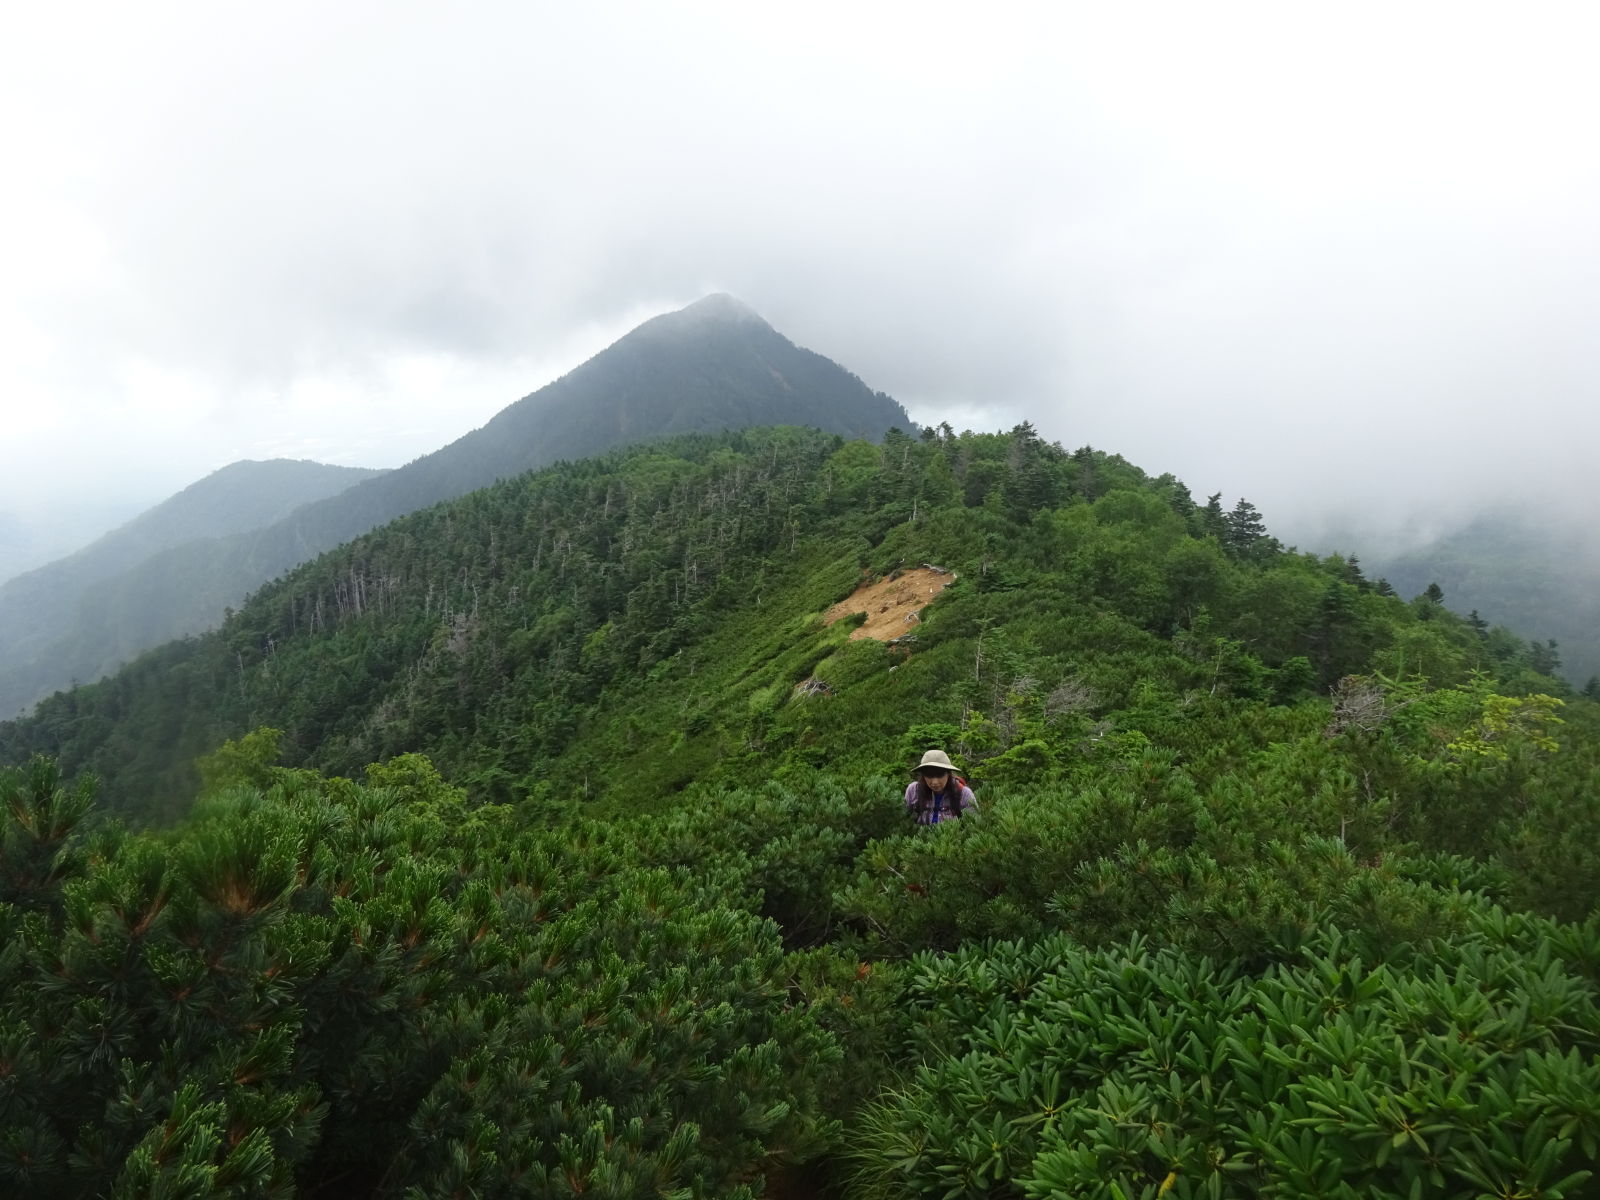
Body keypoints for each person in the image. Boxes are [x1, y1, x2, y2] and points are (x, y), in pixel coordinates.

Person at [905, 749, 976, 824]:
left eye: (940, 775)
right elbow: (904, 821)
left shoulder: (963, 793)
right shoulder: (913, 790)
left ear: (948, 773)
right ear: (923, 775)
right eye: (929, 775)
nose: (935, 782)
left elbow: (973, 825)